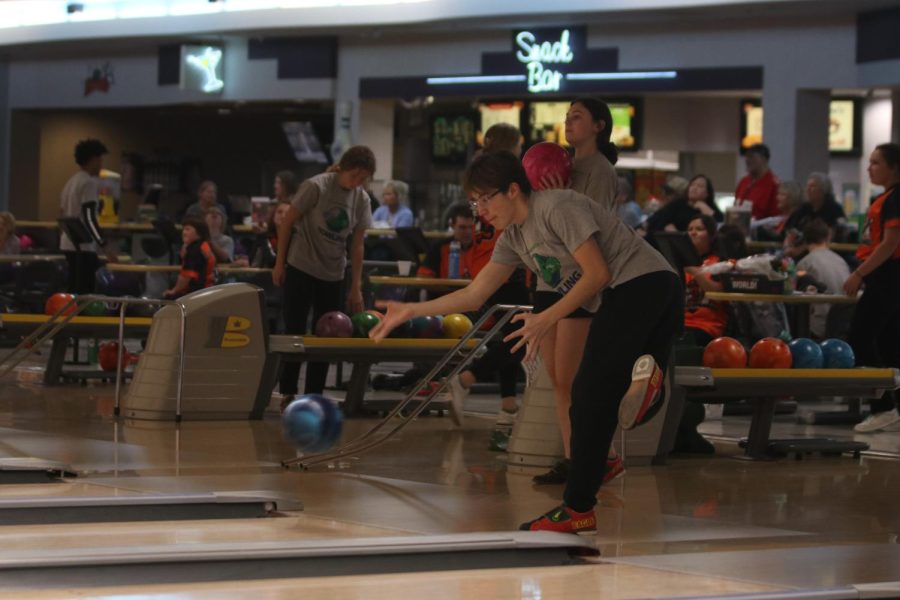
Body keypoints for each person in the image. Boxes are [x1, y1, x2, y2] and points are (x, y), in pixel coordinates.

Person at [370, 151, 682, 534]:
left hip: (646, 285)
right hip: (633, 295)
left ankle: (578, 507)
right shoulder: (514, 238)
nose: (481, 210)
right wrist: (410, 311)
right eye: (475, 202)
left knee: (587, 394)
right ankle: (649, 382)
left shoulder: (556, 206)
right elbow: (474, 294)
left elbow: (597, 273)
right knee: (595, 395)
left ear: (514, 189)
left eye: (486, 199)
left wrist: (546, 318)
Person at [531, 98, 625, 485]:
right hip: (548, 276)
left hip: (579, 280)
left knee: (571, 380)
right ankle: (588, 458)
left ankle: (591, 460)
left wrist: (560, 193)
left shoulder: (599, 170)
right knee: (557, 379)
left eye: (577, 117)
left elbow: (590, 225)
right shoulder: (560, 163)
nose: (568, 122)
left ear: (599, 126)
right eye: (567, 117)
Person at [273, 146, 375, 399]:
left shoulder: (361, 199)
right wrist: (279, 262)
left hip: (333, 272)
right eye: (354, 176)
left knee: (327, 335)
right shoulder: (316, 186)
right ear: (341, 168)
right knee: (295, 330)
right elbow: (287, 222)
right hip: (301, 265)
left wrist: (356, 286)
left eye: (363, 179)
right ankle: (287, 391)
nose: (357, 183)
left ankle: (314, 394)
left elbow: (358, 243)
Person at [843, 143, 900, 433]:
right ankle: (892, 409)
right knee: (889, 344)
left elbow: (890, 244)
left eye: (876, 162)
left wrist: (859, 274)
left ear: (893, 167)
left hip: (888, 276)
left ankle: (884, 407)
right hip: (885, 276)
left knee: (860, 338)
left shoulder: (896, 198)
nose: (869, 167)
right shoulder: (886, 197)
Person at [60, 139, 118, 265]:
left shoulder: (70, 182)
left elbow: (62, 213)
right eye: (100, 160)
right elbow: (89, 218)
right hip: (83, 246)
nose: (101, 165)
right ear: (93, 160)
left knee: (73, 284)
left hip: (67, 243)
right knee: (85, 284)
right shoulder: (88, 183)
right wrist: (105, 247)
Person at [796, 219, 851, 340]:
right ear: (828, 237)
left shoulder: (804, 264)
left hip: (818, 329)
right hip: (845, 326)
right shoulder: (841, 261)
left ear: (804, 239)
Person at [646, 174, 722, 235]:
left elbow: (718, 223)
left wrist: (704, 207)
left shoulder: (709, 208)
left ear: (707, 193)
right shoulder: (678, 204)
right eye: (692, 185)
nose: (694, 188)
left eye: (700, 186)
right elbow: (658, 220)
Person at [163, 217, 215, 299]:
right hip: (205, 289)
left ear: (199, 232)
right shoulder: (204, 245)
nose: (184, 232)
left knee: (167, 298)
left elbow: (186, 276)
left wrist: (174, 291)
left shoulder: (194, 250)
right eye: (183, 229)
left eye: (188, 229)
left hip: (196, 293)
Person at [735, 144, 780, 220]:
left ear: (764, 159)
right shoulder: (743, 182)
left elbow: (776, 216)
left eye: (752, 157)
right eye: (747, 157)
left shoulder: (774, 185)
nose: (747, 160)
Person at [252, 202, 290, 269]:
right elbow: (253, 259)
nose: (283, 216)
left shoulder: (297, 238)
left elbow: (273, 262)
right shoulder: (265, 237)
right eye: (279, 212)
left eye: (288, 213)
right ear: (273, 216)